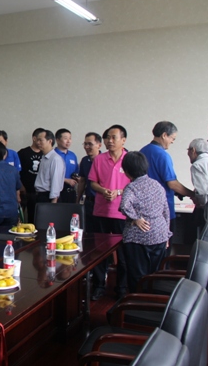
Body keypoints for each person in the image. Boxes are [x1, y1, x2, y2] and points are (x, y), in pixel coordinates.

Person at [88, 125, 131, 300]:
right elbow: (93, 182)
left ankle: (121, 288)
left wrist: (118, 192)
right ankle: (99, 286)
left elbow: (135, 184)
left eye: (114, 137)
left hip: (123, 213)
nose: (109, 141)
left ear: (123, 140)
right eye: (107, 138)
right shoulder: (99, 159)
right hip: (101, 211)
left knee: (123, 253)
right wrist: (103, 190)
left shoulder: (130, 160)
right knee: (99, 252)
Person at [119, 151, 171, 293]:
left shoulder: (132, 187)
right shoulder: (157, 185)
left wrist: (135, 218)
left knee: (137, 275)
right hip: (159, 234)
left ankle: (137, 299)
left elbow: (124, 206)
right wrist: (166, 234)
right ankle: (151, 299)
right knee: (155, 274)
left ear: (127, 171)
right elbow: (166, 211)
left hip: (138, 237)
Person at [140, 121, 195, 230]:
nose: (172, 142)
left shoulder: (142, 152)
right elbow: (172, 184)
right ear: (164, 135)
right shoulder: (162, 155)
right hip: (163, 210)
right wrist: (193, 194)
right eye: (172, 138)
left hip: (144, 209)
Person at [18, 128, 45, 223]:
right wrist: (20, 186)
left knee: (35, 219)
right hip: (24, 191)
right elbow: (16, 172)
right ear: (34, 138)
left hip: (39, 192)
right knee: (19, 218)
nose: (42, 142)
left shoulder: (45, 154)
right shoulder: (23, 153)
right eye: (40, 139)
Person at [77, 132, 102, 232]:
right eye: (85, 144)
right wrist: (77, 200)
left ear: (99, 145)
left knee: (100, 231)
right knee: (87, 230)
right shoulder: (84, 160)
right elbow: (82, 181)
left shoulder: (105, 160)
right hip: (88, 201)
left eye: (90, 144)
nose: (87, 147)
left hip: (101, 202)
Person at [34, 130, 65, 204]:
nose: (38, 143)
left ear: (50, 141)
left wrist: (54, 200)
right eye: (37, 140)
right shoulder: (44, 157)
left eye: (41, 140)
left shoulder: (55, 159)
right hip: (40, 195)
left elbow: (56, 180)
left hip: (48, 197)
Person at [54, 128, 79, 203]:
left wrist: (77, 178)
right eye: (65, 138)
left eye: (70, 138)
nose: (68, 141)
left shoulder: (72, 155)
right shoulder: (52, 154)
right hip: (56, 192)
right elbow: (48, 175)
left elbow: (76, 171)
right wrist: (65, 180)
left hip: (70, 191)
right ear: (57, 140)